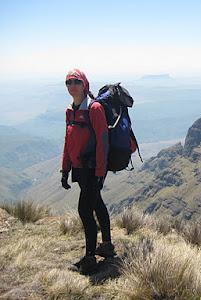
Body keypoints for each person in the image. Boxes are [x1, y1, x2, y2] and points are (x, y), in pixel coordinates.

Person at [60, 68, 116, 275]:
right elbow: (68, 141)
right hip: (79, 168)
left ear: (85, 85)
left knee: (85, 210)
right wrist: (65, 168)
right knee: (97, 203)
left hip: (93, 168)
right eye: (68, 82)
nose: (72, 85)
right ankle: (107, 246)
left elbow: (103, 141)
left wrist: (100, 172)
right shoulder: (70, 110)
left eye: (76, 81)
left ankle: (90, 257)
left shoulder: (95, 109)